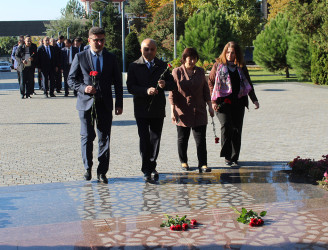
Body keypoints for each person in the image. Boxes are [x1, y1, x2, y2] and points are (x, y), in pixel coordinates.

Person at [68, 27, 123, 184]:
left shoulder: (111, 58)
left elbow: (118, 83)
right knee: (87, 136)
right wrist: (84, 88)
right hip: (85, 103)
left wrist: (119, 103)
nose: (99, 43)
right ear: (89, 40)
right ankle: (87, 168)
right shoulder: (80, 57)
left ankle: (102, 171)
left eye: (102, 40)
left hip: (104, 103)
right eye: (96, 40)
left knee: (104, 138)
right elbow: (71, 80)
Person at [126, 38, 176, 182]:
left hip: (157, 108)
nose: (149, 52)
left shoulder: (163, 66)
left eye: (152, 49)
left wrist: (164, 84)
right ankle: (146, 168)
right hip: (141, 108)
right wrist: (145, 90)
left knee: (155, 138)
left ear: (156, 50)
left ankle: (152, 165)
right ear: (141, 50)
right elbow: (130, 87)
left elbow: (173, 85)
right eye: (146, 49)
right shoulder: (134, 65)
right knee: (144, 138)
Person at [208, 41, 260, 166]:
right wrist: (213, 101)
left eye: (233, 53)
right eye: (228, 52)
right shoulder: (218, 66)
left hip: (238, 102)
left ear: (237, 54)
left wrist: (254, 99)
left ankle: (234, 156)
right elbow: (210, 82)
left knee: (237, 129)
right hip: (222, 103)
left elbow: (248, 83)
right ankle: (227, 155)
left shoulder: (241, 67)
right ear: (224, 53)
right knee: (226, 125)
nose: (230, 55)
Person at [169, 48, 214, 173]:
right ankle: (184, 161)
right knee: (183, 138)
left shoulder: (200, 71)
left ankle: (203, 163)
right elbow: (172, 92)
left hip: (199, 109)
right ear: (184, 58)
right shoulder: (176, 72)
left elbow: (206, 90)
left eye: (195, 58)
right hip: (182, 110)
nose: (192, 61)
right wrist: (172, 110)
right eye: (190, 58)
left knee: (201, 139)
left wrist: (210, 106)